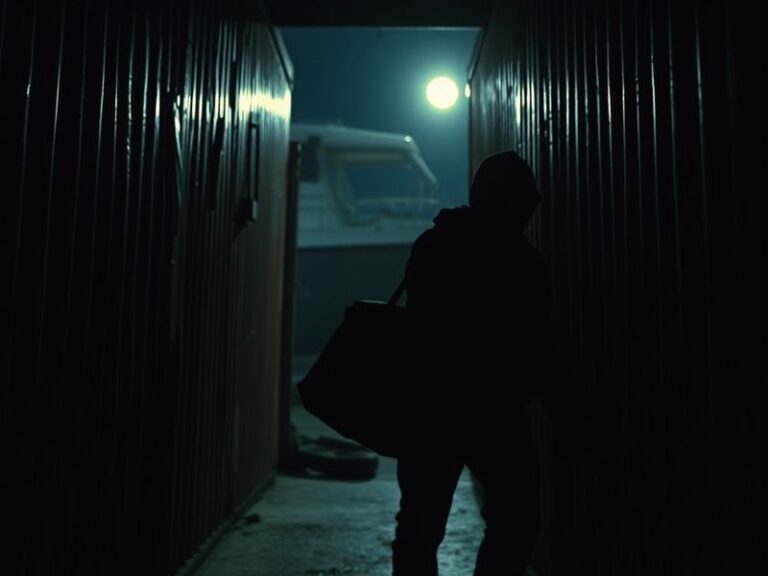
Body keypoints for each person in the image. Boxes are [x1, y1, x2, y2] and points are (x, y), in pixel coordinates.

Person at [392, 151, 556, 576]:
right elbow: (541, 349)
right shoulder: (524, 264)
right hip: (497, 414)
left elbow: (420, 328)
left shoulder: (434, 245)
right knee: (517, 522)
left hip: (431, 409)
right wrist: (566, 418)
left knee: (418, 530)